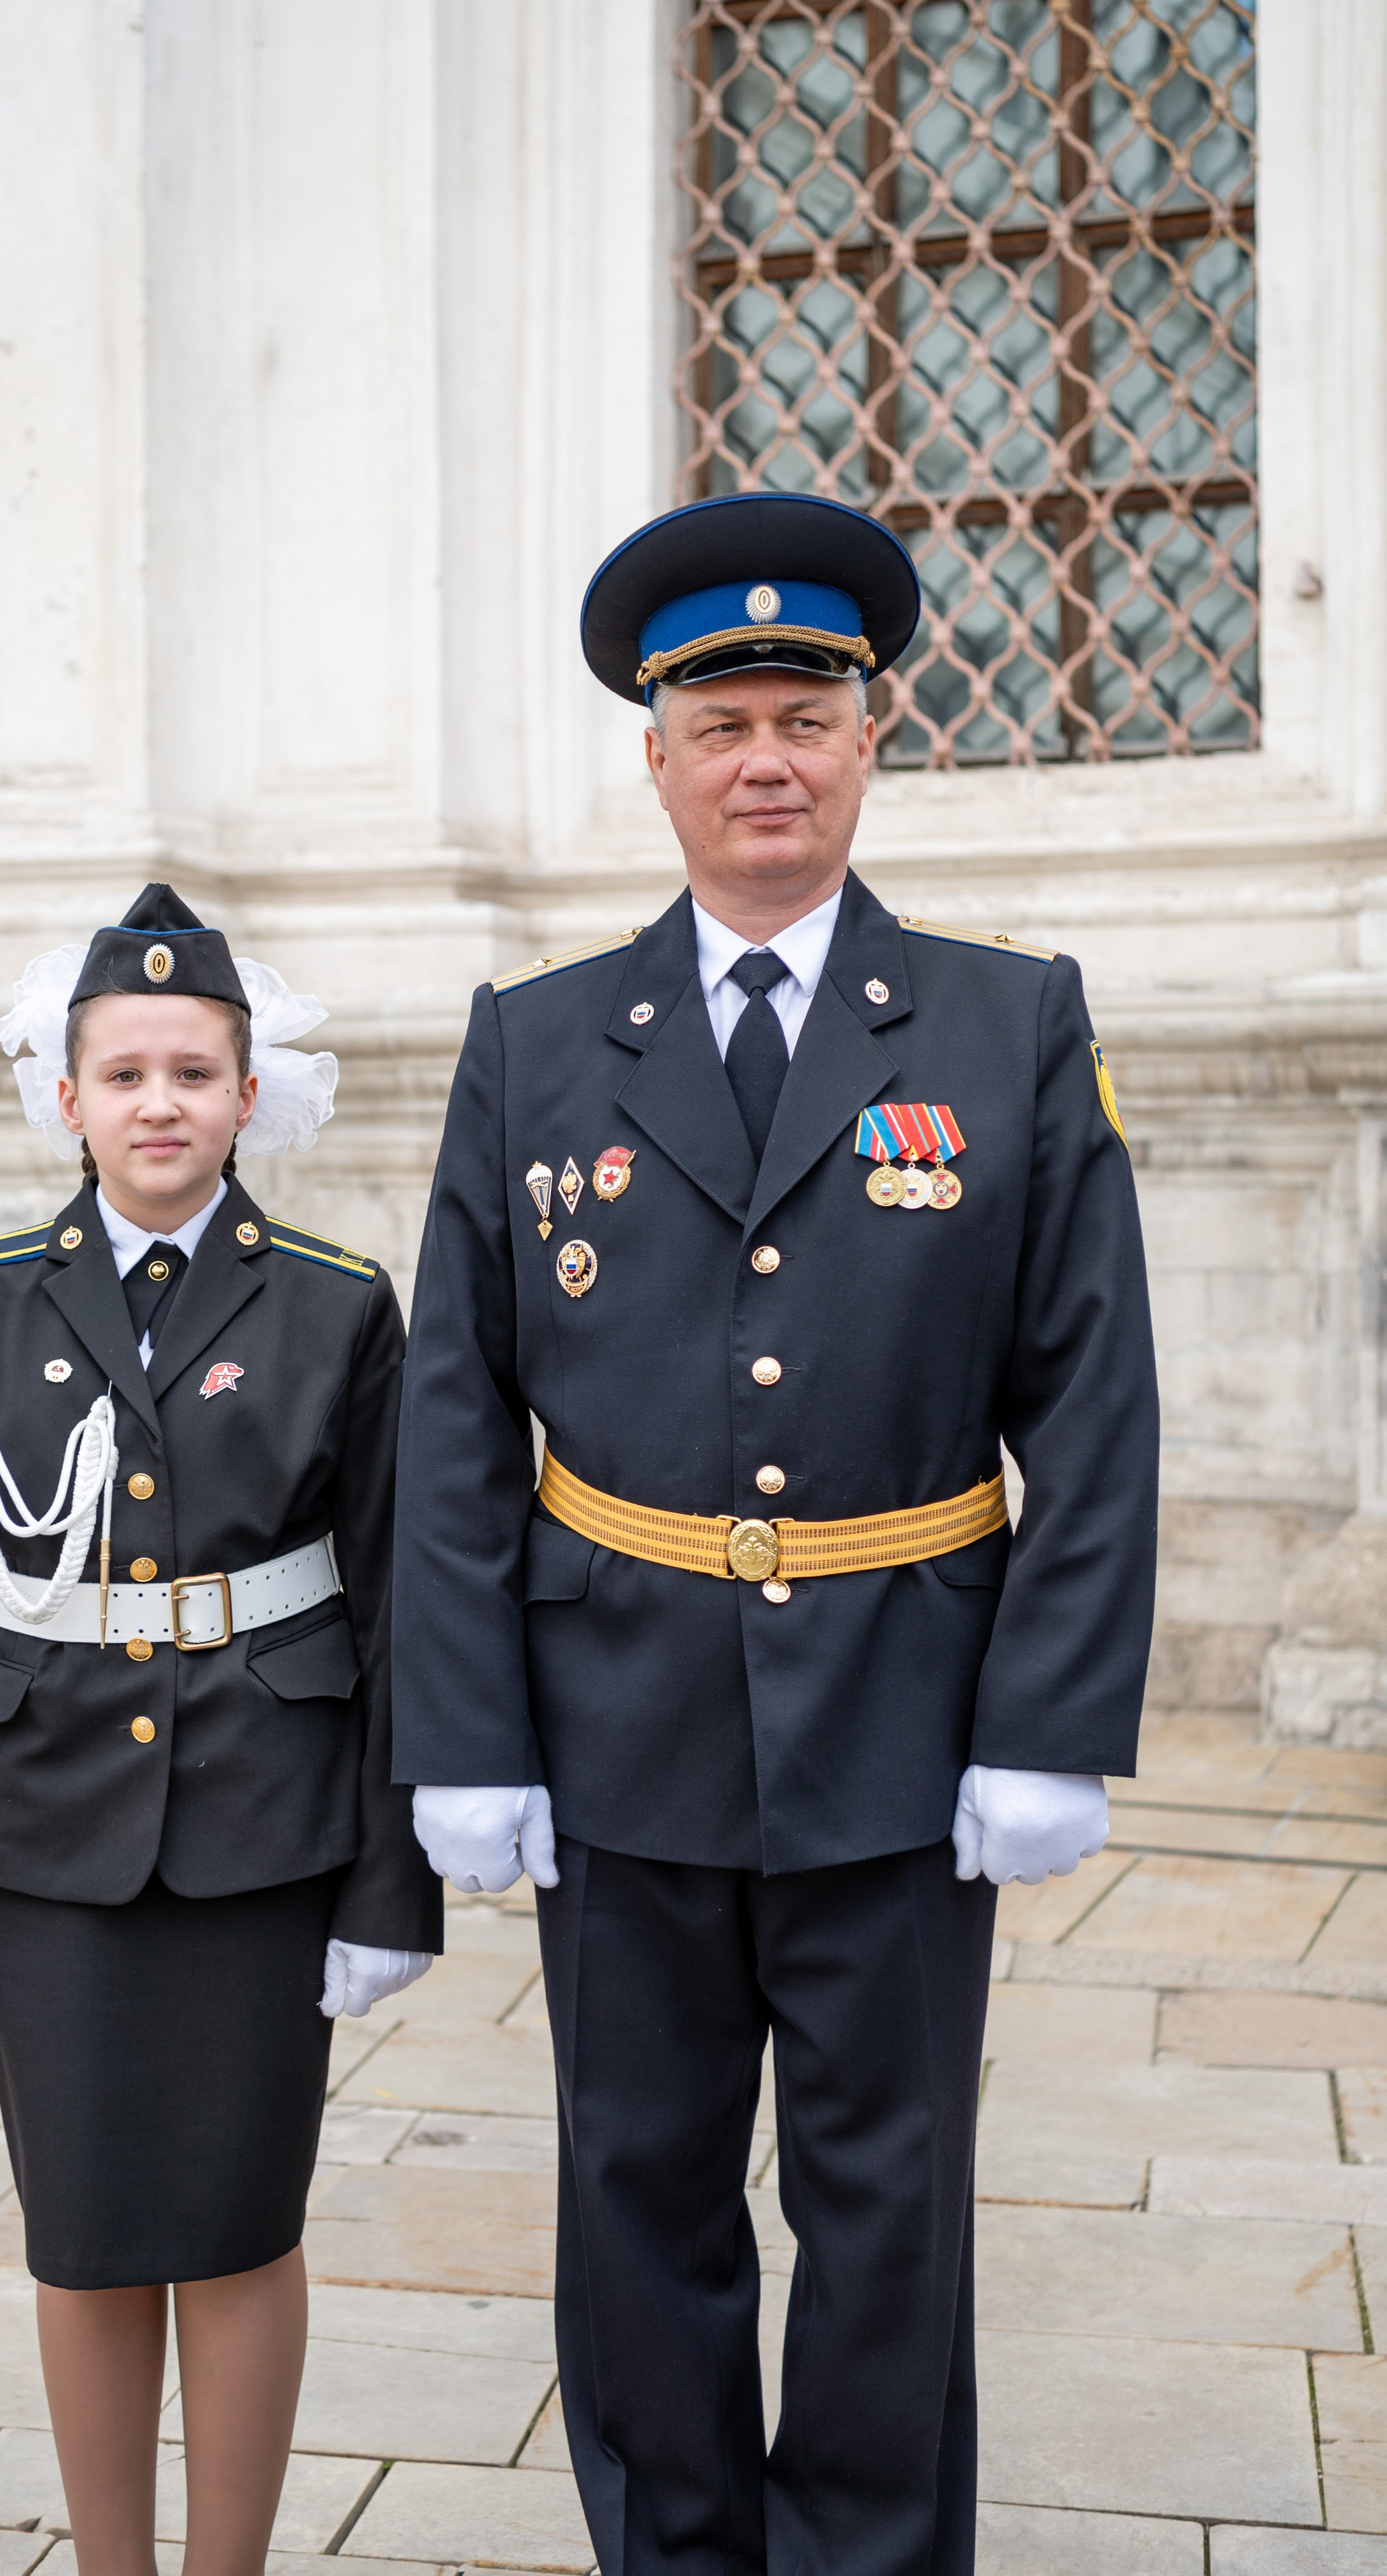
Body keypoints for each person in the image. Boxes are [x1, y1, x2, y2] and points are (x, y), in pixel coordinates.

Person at [393, 492, 1158, 2576]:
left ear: (869, 742)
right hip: (614, 1706)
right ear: (655, 757)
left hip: (909, 1725)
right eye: (720, 718)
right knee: (636, 2184)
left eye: (805, 717)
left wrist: (1050, 1720)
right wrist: (463, 1731)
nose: (764, 757)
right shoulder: (539, 1044)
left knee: (887, 2198)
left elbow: (1092, 1394)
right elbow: (457, 1408)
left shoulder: (1005, 1026)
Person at [0, 884, 441, 2576]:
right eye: (122, 1072)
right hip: (39, 1835)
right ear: (66, 1095)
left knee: (242, 2225)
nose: (158, 1102)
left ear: (248, 1096)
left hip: (267, 1835)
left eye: (194, 1070)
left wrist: (388, 1884)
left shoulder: (337, 1305)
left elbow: (404, 1608)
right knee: (87, 2236)